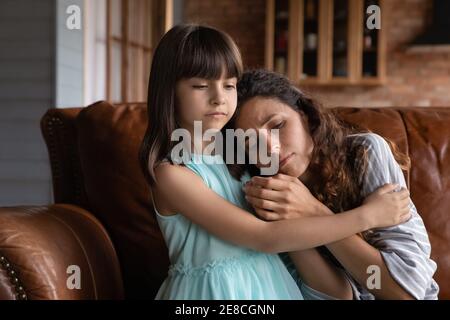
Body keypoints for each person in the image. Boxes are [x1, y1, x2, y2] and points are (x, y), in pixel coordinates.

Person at [139, 24, 411, 300]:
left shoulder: (243, 160)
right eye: (200, 85)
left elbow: (337, 292)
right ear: (169, 91)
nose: (219, 98)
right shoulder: (171, 174)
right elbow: (265, 236)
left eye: (230, 85)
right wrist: (368, 216)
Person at [232, 69, 439, 300]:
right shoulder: (267, 197)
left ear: (305, 116)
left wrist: (313, 211)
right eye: (251, 143)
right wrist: (295, 219)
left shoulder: (364, 153)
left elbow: (403, 293)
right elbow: (339, 297)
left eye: (278, 125)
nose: (271, 149)